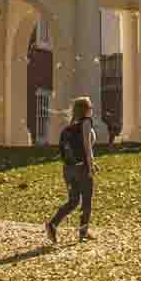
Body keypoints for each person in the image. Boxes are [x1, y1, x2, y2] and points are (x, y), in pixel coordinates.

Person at [45, 95, 98, 245]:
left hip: (68, 168)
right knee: (86, 200)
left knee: (73, 201)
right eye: (90, 107)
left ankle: (52, 224)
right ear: (85, 110)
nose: (92, 109)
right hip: (82, 167)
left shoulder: (69, 127)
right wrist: (91, 165)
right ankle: (83, 232)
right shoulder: (86, 122)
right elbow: (87, 146)